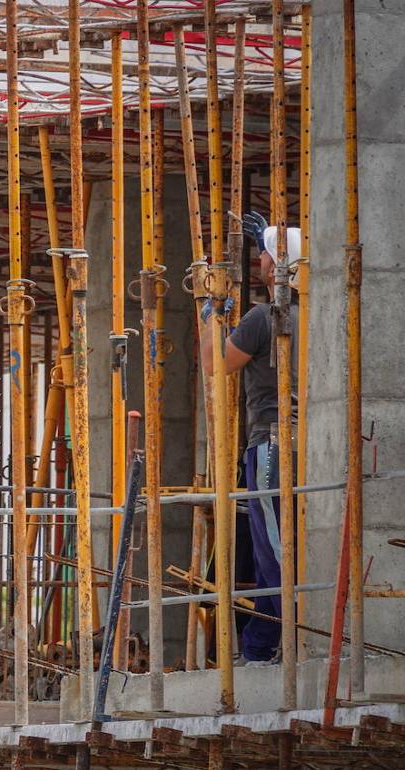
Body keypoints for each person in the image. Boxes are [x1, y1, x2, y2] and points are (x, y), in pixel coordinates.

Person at [201, 211, 300, 666]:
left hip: (271, 445)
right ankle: (261, 646)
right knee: (274, 549)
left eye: (265, 255)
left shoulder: (265, 317)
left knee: (273, 549)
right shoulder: (316, 315)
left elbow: (217, 364)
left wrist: (211, 314)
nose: (260, 262)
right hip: (310, 444)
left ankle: (298, 642)